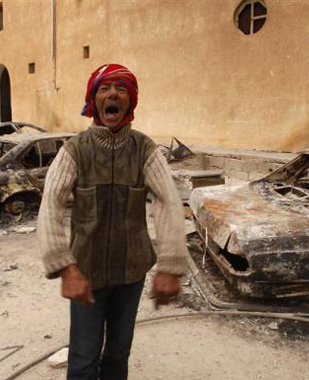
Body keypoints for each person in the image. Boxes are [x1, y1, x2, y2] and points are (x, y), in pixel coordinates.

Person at [38, 63, 188, 380]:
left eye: (121, 89)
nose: (113, 94)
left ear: (130, 102)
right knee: (83, 359)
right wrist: (66, 268)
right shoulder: (74, 150)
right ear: (94, 100)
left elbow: (168, 200)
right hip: (86, 274)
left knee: (118, 356)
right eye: (105, 88)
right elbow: (50, 204)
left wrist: (171, 265)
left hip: (131, 274)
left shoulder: (144, 149)